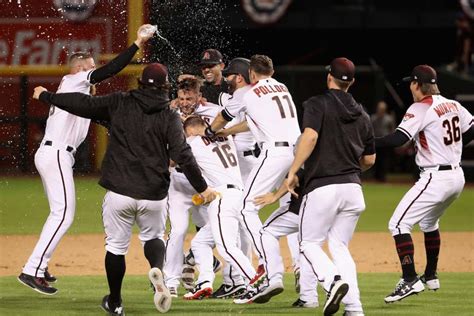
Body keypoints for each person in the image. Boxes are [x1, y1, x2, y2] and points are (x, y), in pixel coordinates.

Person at [32, 63, 218, 315]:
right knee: (153, 238)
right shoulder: (169, 115)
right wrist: (203, 187)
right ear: (166, 86)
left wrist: (47, 96)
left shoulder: (121, 102)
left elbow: (82, 104)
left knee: (116, 248)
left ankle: (116, 301)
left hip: (120, 190)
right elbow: (183, 155)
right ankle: (156, 269)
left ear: (140, 82)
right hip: (153, 192)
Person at [17, 24, 155, 296]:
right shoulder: (75, 80)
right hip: (56, 153)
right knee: (64, 215)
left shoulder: (75, 94)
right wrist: (137, 43)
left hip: (54, 154)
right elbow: (110, 70)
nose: (94, 71)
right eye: (90, 67)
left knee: (58, 213)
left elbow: (101, 115)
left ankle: (39, 266)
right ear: (80, 69)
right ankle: (32, 269)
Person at [375, 65, 473, 303]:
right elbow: (471, 129)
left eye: (412, 82)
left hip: (435, 177)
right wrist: (453, 147)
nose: (410, 86)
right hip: (457, 177)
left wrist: (366, 142)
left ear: (417, 84)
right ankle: (430, 275)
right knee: (429, 222)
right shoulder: (453, 104)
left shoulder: (421, 106)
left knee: (398, 224)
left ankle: (409, 279)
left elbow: (399, 139)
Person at [286, 57, 375, 316]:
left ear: (328, 77)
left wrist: (293, 171)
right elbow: (369, 160)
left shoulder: (317, 103)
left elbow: (310, 136)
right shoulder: (363, 114)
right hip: (353, 190)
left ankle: (333, 281)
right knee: (339, 246)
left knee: (309, 244)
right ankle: (355, 308)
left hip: (323, 188)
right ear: (352, 82)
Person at [207, 55, 301, 297]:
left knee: (245, 208)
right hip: (298, 151)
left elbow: (221, 117)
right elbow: (252, 122)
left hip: (275, 152)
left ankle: (269, 267)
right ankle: (305, 276)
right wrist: (228, 132)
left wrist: (211, 130)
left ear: (248, 74)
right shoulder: (281, 86)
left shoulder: (246, 94)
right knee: (293, 208)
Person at [181, 116, 259, 300]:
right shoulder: (227, 137)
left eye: (187, 132)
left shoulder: (193, 142)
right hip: (239, 195)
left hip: (223, 199)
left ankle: (256, 282)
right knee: (199, 243)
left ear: (190, 130)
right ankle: (205, 282)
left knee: (227, 247)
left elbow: (175, 159)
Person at [163, 77, 223, 296]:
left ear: (199, 96)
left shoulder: (212, 112)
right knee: (178, 230)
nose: (185, 101)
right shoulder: (169, 114)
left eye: (189, 97)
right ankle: (171, 280)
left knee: (216, 229)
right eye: (181, 97)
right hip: (178, 182)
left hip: (203, 182)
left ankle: (192, 258)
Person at [255, 170, 319, 307]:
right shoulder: (333, 156)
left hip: (301, 208)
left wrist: (275, 196)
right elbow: (368, 160)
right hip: (329, 208)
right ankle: (310, 296)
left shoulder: (307, 154)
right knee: (310, 246)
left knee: (267, 231)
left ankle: (274, 278)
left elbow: (294, 176)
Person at [370, 101, 395, 181]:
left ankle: (383, 176)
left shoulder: (389, 119)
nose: (381, 110)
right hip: (375, 142)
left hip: (385, 143)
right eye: (380, 108)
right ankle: (375, 176)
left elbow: (392, 130)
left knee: (384, 160)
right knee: (374, 160)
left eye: (382, 109)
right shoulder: (373, 118)